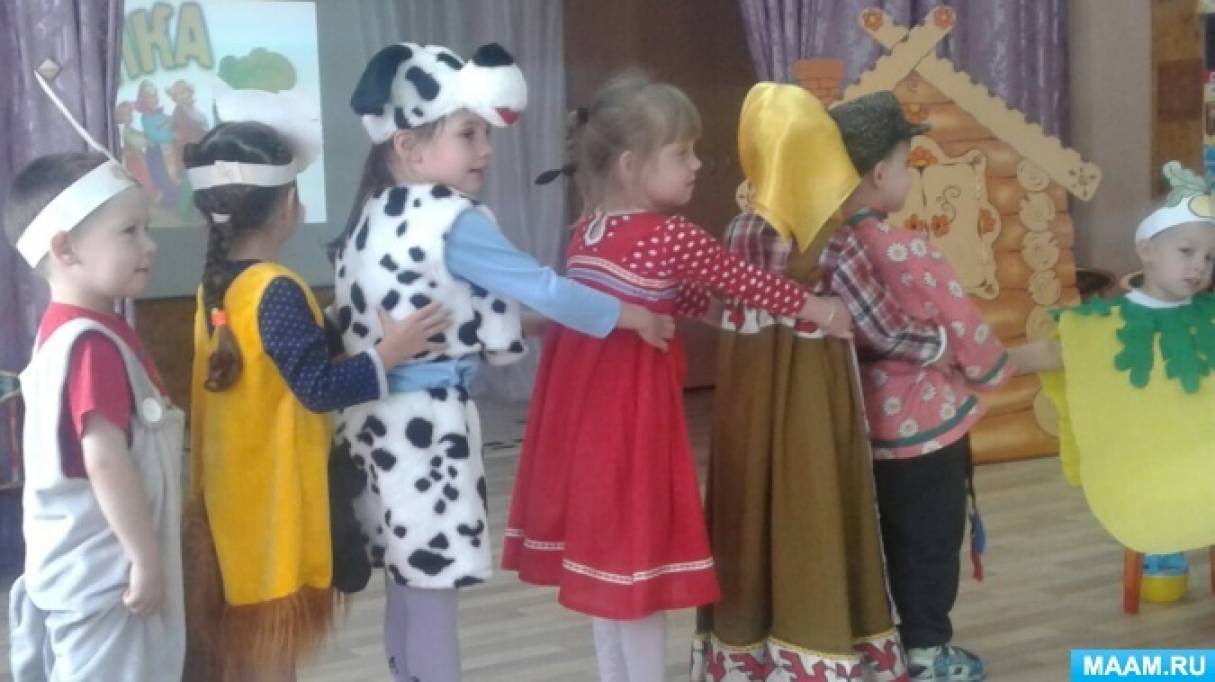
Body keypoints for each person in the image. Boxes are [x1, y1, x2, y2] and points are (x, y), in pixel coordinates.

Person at [334, 43, 675, 682]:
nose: (486, 150)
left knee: (408, 585)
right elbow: (544, 287)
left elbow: (458, 313)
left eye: (485, 134)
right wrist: (633, 316)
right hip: (426, 435)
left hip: (373, 428)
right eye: (468, 134)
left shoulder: (374, 213)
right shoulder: (450, 219)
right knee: (432, 588)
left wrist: (555, 326)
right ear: (409, 147)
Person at [503, 73, 853, 682]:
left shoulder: (588, 230)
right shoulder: (670, 234)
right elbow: (746, 282)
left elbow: (662, 293)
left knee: (606, 561)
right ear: (632, 165)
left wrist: (711, 315)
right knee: (637, 562)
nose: (696, 165)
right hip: (632, 419)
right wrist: (820, 310)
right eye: (682, 153)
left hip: (582, 421)